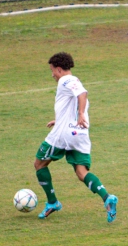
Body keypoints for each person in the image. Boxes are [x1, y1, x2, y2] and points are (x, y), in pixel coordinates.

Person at [33, 52, 118, 222]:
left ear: (58, 69)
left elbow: (82, 94)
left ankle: (52, 202)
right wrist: (60, 120)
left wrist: (80, 114)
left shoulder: (66, 80)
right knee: (81, 172)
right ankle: (107, 198)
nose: (52, 75)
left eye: (52, 71)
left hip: (63, 135)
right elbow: (73, 102)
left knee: (39, 164)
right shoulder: (72, 81)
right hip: (80, 133)